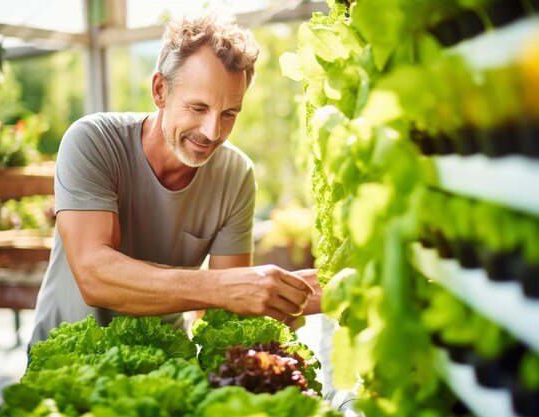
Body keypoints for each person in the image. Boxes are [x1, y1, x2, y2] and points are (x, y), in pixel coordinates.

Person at [28, 14, 321, 348]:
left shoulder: (236, 174)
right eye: (198, 108)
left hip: (166, 366)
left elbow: (221, 318)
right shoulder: (93, 140)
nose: (213, 132)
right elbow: (95, 277)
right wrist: (224, 287)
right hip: (65, 361)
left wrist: (301, 295)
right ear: (160, 90)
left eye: (229, 114)